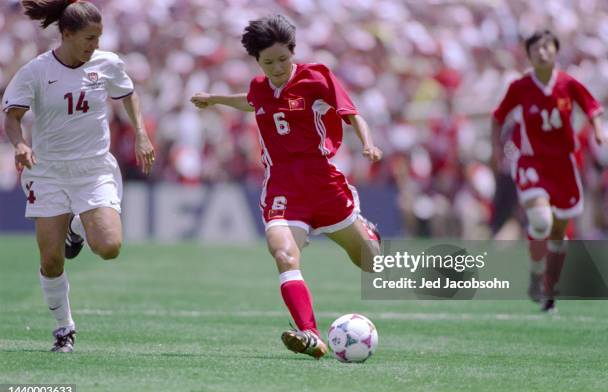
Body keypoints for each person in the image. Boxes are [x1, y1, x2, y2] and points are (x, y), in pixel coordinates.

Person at [191, 15, 382, 359]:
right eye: (268, 62)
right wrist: (215, 98)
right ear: (257, 61)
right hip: (282, 187)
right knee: (283, 255)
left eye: (283, 59)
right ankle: (310, 334)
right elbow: (250, 101)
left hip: (323, 184)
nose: (277, 68)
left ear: (293, 52)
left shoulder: (317, 77)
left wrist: (367, 143)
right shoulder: (260, 86)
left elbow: (352, 113)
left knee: (371, 264)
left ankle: (366, 231)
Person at [3, 0, 155, 352]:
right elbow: (12, 115)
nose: (94, 45)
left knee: (109, 247)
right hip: (49, 170)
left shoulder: (108, 63)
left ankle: (76, 229)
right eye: (88, 38)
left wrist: (141, 132)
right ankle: (63, 328)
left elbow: (128, 93)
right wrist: (20, 145)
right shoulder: (36, 71)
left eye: (98, 37)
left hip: (93, 168)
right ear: (67, 34)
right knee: (50, 259)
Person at [491, 30, 607, 312]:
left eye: (547, 47)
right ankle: (534, 274)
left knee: (558, 232)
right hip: (531, 161)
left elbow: (592, 108)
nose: (542, 53)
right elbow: (498, 117)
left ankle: (549, 288)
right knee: (540, 219)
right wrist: (496, 152)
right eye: (536, 49)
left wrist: (598, 131)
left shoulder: (568, 84)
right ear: (528, 55)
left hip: (564, 166)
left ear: (556, 50)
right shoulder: (520, 86)